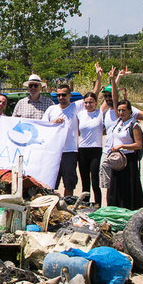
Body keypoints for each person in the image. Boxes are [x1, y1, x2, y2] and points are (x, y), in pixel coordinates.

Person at [43, 66, 102, 197]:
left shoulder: (76, 107)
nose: (61, 97)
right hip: (54, 150)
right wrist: (53, 123)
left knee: (69, 182)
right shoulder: (51, 110)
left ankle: (68, 204)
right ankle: (52, 205)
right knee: (51, 181)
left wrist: (99, 77)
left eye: (64, 95)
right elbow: (43, 127)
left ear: (70, 95)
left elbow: (93, 95)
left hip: (70, 150)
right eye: (58, 95)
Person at [103, 99, 143, 210]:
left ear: (130, 111)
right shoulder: (119, 122)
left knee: (128, 187)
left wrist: (122, 146)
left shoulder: (134, 125)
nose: (121, 113)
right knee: (115, 187)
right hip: (117, 160)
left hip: (129, 159)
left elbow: (138, 145)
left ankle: (130, 209)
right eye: (119, 110)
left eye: (124, 110)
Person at [77, 91, 104, 207]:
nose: (88, 105)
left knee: (95, 180)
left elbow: (113, 99)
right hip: (83, 149)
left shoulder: (100, 113)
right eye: (86, 103)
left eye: (91, 102)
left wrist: (114, 80)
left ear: (96, 102)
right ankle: (85, 204)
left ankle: (98, 205)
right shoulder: (80, 114)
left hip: (96, 149)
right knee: (85, 181)